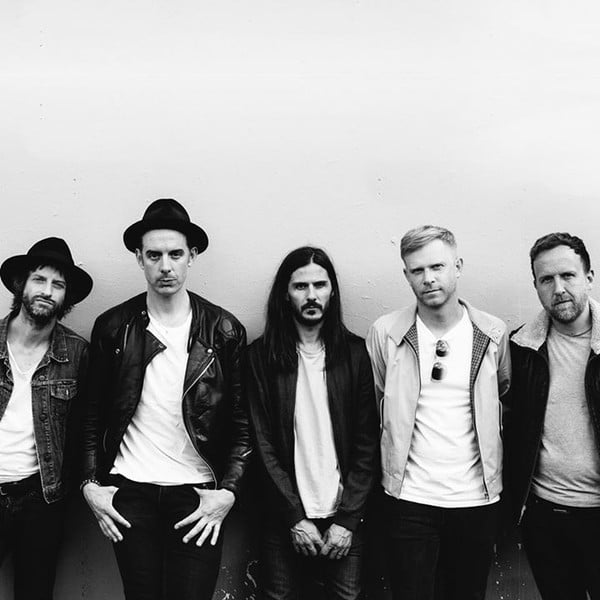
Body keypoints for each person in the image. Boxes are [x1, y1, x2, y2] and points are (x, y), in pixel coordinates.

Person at [81, 199, 251, 600]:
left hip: (198, 495)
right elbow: (91, 414)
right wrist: (90, 484)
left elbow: (243, 423)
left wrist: (228, 491)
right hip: (131, 492)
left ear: (192, 256)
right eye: (154, 255)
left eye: (175, 254)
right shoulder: (113, 327)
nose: (165, 266)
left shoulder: (223, 330)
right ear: (139, 258)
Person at [366, 225, 510, 600]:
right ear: (406, 275)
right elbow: (379, 400)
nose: (428, 278)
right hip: (409, 498)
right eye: (417, 270)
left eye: (437, 267)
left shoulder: (492, 332)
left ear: (457, 266)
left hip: (476, 499)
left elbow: (503, 398)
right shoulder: (386, 332)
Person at [246, 247, 379, 599]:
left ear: (332, 291)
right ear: (285, 294)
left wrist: (347, 521)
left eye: (320, 285)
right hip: (283, 515)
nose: (311, 295)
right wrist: (293, 516)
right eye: (300, 286)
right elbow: (261, 442)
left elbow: (368, 444)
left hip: (344, 515)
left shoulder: (355, 355)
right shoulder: (260, 357)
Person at [506, 232, 600, 600]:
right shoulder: (521, 349)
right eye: (546, 279)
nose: (558, 289)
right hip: (545, 517)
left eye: (568, 276)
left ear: (588, 278)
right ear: (535, 286)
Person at [0, 237, 92, 600]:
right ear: (21, 284)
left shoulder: (77, 353)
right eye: (39, 279)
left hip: (42, 498)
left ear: (65, 298)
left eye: (58, 285)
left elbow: (85, 428)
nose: (47, 291)